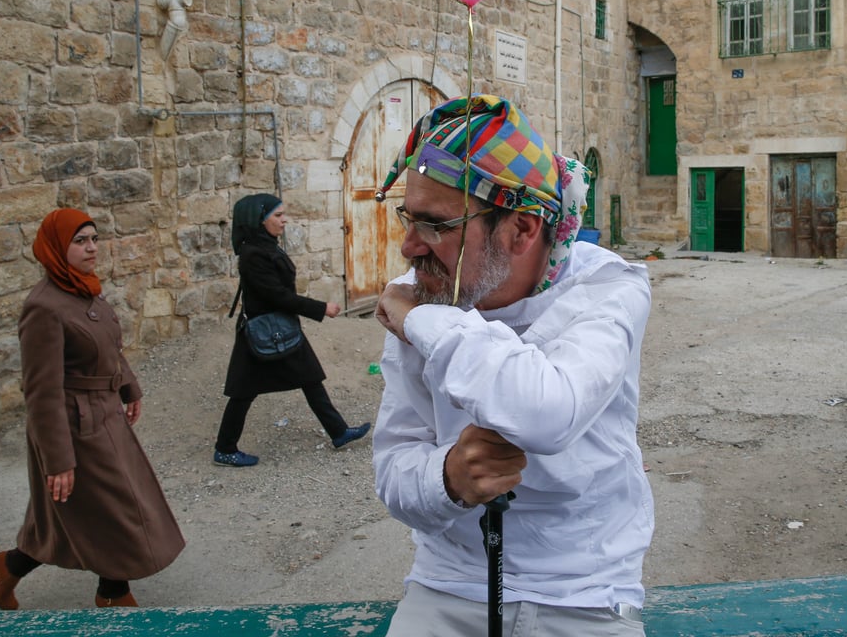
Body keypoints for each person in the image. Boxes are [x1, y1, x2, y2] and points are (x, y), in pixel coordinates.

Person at [371, 95, 654, 636]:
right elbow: (393, 467)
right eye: (408, 218)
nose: (409, 246)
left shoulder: (608, 289)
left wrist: (422, 325)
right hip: (450, 583)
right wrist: (446, 479)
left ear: (522, 230)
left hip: (585, 591)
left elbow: (548, 412)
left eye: (435, 225)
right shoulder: (425, 295)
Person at [0, 208, 185, 610]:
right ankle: (112, 593)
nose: (92, 247)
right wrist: (57, 460)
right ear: (57, 247)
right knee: (117, 507)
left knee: (91, 509)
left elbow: (106, 343)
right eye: (80, 241)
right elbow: (41, 391)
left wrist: (128, 386)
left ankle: (13, 564)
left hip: (104, 413)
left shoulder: (83, 288)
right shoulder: (44, 307)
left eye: (94, 238)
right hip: (74, 426)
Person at [212, 193, 370, 467]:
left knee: (310, 377)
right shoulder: (254, 255)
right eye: (277, 215)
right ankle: (224, 449)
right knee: (242, 392)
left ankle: (339, 432)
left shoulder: (265, 246)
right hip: (263, 332)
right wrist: (321, 308)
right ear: (259, 221)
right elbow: (278, 296)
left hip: (279, 327)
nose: (284, 220)